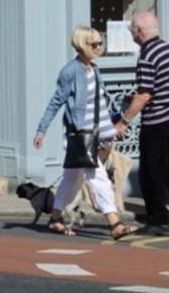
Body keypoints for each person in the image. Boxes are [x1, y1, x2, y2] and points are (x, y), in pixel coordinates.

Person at [33, 24, 138, 238]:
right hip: (80, 135)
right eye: (95, 44)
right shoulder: (70, 72)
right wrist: (41, 130)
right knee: (99, 176)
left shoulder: (95, 70)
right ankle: (115, 223)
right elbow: (55, 103)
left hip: (95, 132)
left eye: (101, 43)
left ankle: (54, 218)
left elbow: (100, 105)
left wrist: (112, 129)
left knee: (71, 179)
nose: (100, 47)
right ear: (83, 45)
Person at [114, 12, 169, 235]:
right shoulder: (165, 49)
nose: (130, 33)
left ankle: (159, 220)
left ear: (139, 31)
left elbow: (145, 95)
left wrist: (124, 121)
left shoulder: (147, 55)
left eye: (131, 30)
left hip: (156, 122)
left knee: (151, 172)